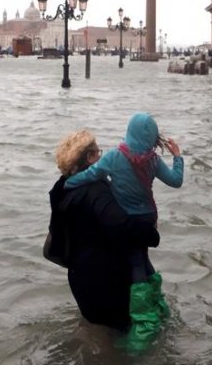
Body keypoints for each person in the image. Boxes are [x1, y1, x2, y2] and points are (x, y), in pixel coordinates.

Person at [64, 112, 183, 351]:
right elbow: (175, 180)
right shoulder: (153, 161)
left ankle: (142, 326)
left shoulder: (114, 157)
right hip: (148, 219)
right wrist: (178, 157)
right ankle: (159, 306)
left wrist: (67, 183)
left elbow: (90, 174)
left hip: (128, 223)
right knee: (145, 260)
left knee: (136, 263)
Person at [48, 129, 161, 331]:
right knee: (121, 339)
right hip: (105, 281)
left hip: (79, 278)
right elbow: (121, 225)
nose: (101, 155)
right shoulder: (95, 190)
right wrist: (151, 234)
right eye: (97, 152)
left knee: (96, 335)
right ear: (90, 158)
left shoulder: (62, 188)